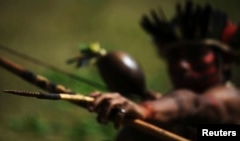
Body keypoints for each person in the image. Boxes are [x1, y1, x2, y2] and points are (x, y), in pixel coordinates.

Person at [87, 1, 240, 140]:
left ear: (225, 61)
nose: (181, 65)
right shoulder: (170, 109)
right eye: (174, 57)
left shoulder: (231, 99)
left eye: (194, 53)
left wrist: (145, 110)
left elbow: (194, 103)